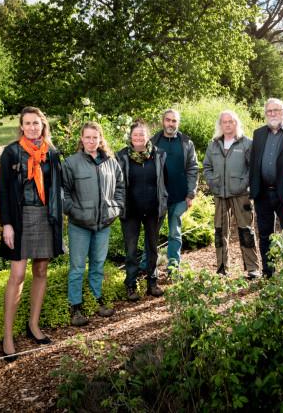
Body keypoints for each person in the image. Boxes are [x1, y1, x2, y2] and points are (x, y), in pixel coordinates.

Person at [0, 107, 66, 360]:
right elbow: (3, 191)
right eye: (27, 123)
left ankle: (33, 325)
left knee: (41, 271)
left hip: (45, 216)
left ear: (43, 125)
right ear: (22, 126)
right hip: (20, 217)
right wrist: (7, 224)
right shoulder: (11, 152)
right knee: (17, 274)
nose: (32, 127)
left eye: (36, 123)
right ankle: (7, 336)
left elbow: (57, 189)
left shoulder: (52, 153)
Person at [64, 122, 125, 326]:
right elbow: (63, 191)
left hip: (103, 223)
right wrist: (73, 211)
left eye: (95, 137)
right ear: (81, 139)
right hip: (79, 224)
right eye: (87, 137)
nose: (91, 141)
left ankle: (95, 300)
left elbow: (120, 186)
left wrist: (115, 208)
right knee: (77, 267)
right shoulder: (71, 163)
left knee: (98, 265)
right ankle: (76, 307)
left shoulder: (110, 162)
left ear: (100, 139)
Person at [250, 98, 283, 277]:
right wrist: (253, 189)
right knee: (265, 235)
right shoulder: (258, 134)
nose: (272, 114)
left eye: (276, 110)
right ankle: (268, 273)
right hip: (263, 193)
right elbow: (254, 163)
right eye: (269, 111)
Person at [203, 110, 260, 277]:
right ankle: (222, 268)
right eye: (224, 122)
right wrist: (213, 182)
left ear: (236, 123)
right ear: (220, 125)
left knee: (246, 231)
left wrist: (243, 184)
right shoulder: (213, 144)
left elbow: (253, 168)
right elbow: (207, 167)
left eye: (231, 121)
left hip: (241, 194)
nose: (227, 125)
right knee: (220, 232)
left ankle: (252, 268)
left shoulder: (246, 143)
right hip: (220, 195)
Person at [144, 109, 198, 276]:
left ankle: (173, 268)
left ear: (178, 123)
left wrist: (190, 194)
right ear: (163, 121)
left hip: (179, 195)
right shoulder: (152, 142)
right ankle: (147, 265)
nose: (170, 123)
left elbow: (193, 169)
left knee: (175, 233)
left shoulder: (186, 143)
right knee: (152, 233)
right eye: (168, 120)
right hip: (157, 197)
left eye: (174, 121)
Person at [116, 121, 167, 300]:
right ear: (130, 137)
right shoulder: (121, 156)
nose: (139, 138)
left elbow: (164, 180)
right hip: (130, 211)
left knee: (152, 248)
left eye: (142, 135)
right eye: (136, 135)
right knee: (131, 250)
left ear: (148, 137)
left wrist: (165, 200)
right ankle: (131, 284)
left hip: (154, 210)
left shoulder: (159, 155)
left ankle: (152, 282)